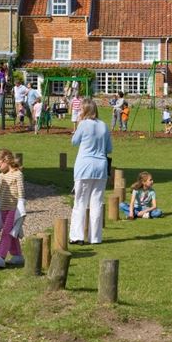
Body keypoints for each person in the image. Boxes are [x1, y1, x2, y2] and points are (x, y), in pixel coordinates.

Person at [69, 99, 112, 245]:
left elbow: (74, 141)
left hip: (84, 166)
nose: (79, 111)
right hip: (101, 166)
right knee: (97, 203)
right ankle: (95, 237)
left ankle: (77, 236)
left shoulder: (83, 124)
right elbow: (109, 149)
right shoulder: (104, 126)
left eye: (81, 109)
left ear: (85, 110)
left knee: (80, 201)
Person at [0, 149, 26, 268]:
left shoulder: (17, 174)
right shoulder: (1, 176)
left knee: (6, 232)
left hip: (13, 209)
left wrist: (21, 213)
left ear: (6, 160)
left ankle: (0, 256)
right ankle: (17, 256)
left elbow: (21, 194)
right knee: (10, 233)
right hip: (3, 209)